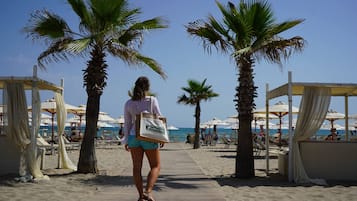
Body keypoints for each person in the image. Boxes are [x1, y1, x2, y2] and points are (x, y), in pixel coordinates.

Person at [122, 76, 163, 201]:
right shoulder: (152, 100)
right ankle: (148, 192)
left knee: (136, 167)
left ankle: (140, 196)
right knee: (156, 166)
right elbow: (159, 118)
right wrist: (161, 137)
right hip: (149, 135)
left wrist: (126, 140)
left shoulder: (128, 103)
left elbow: (127, 123)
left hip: (134, 137)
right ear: (148, 87)